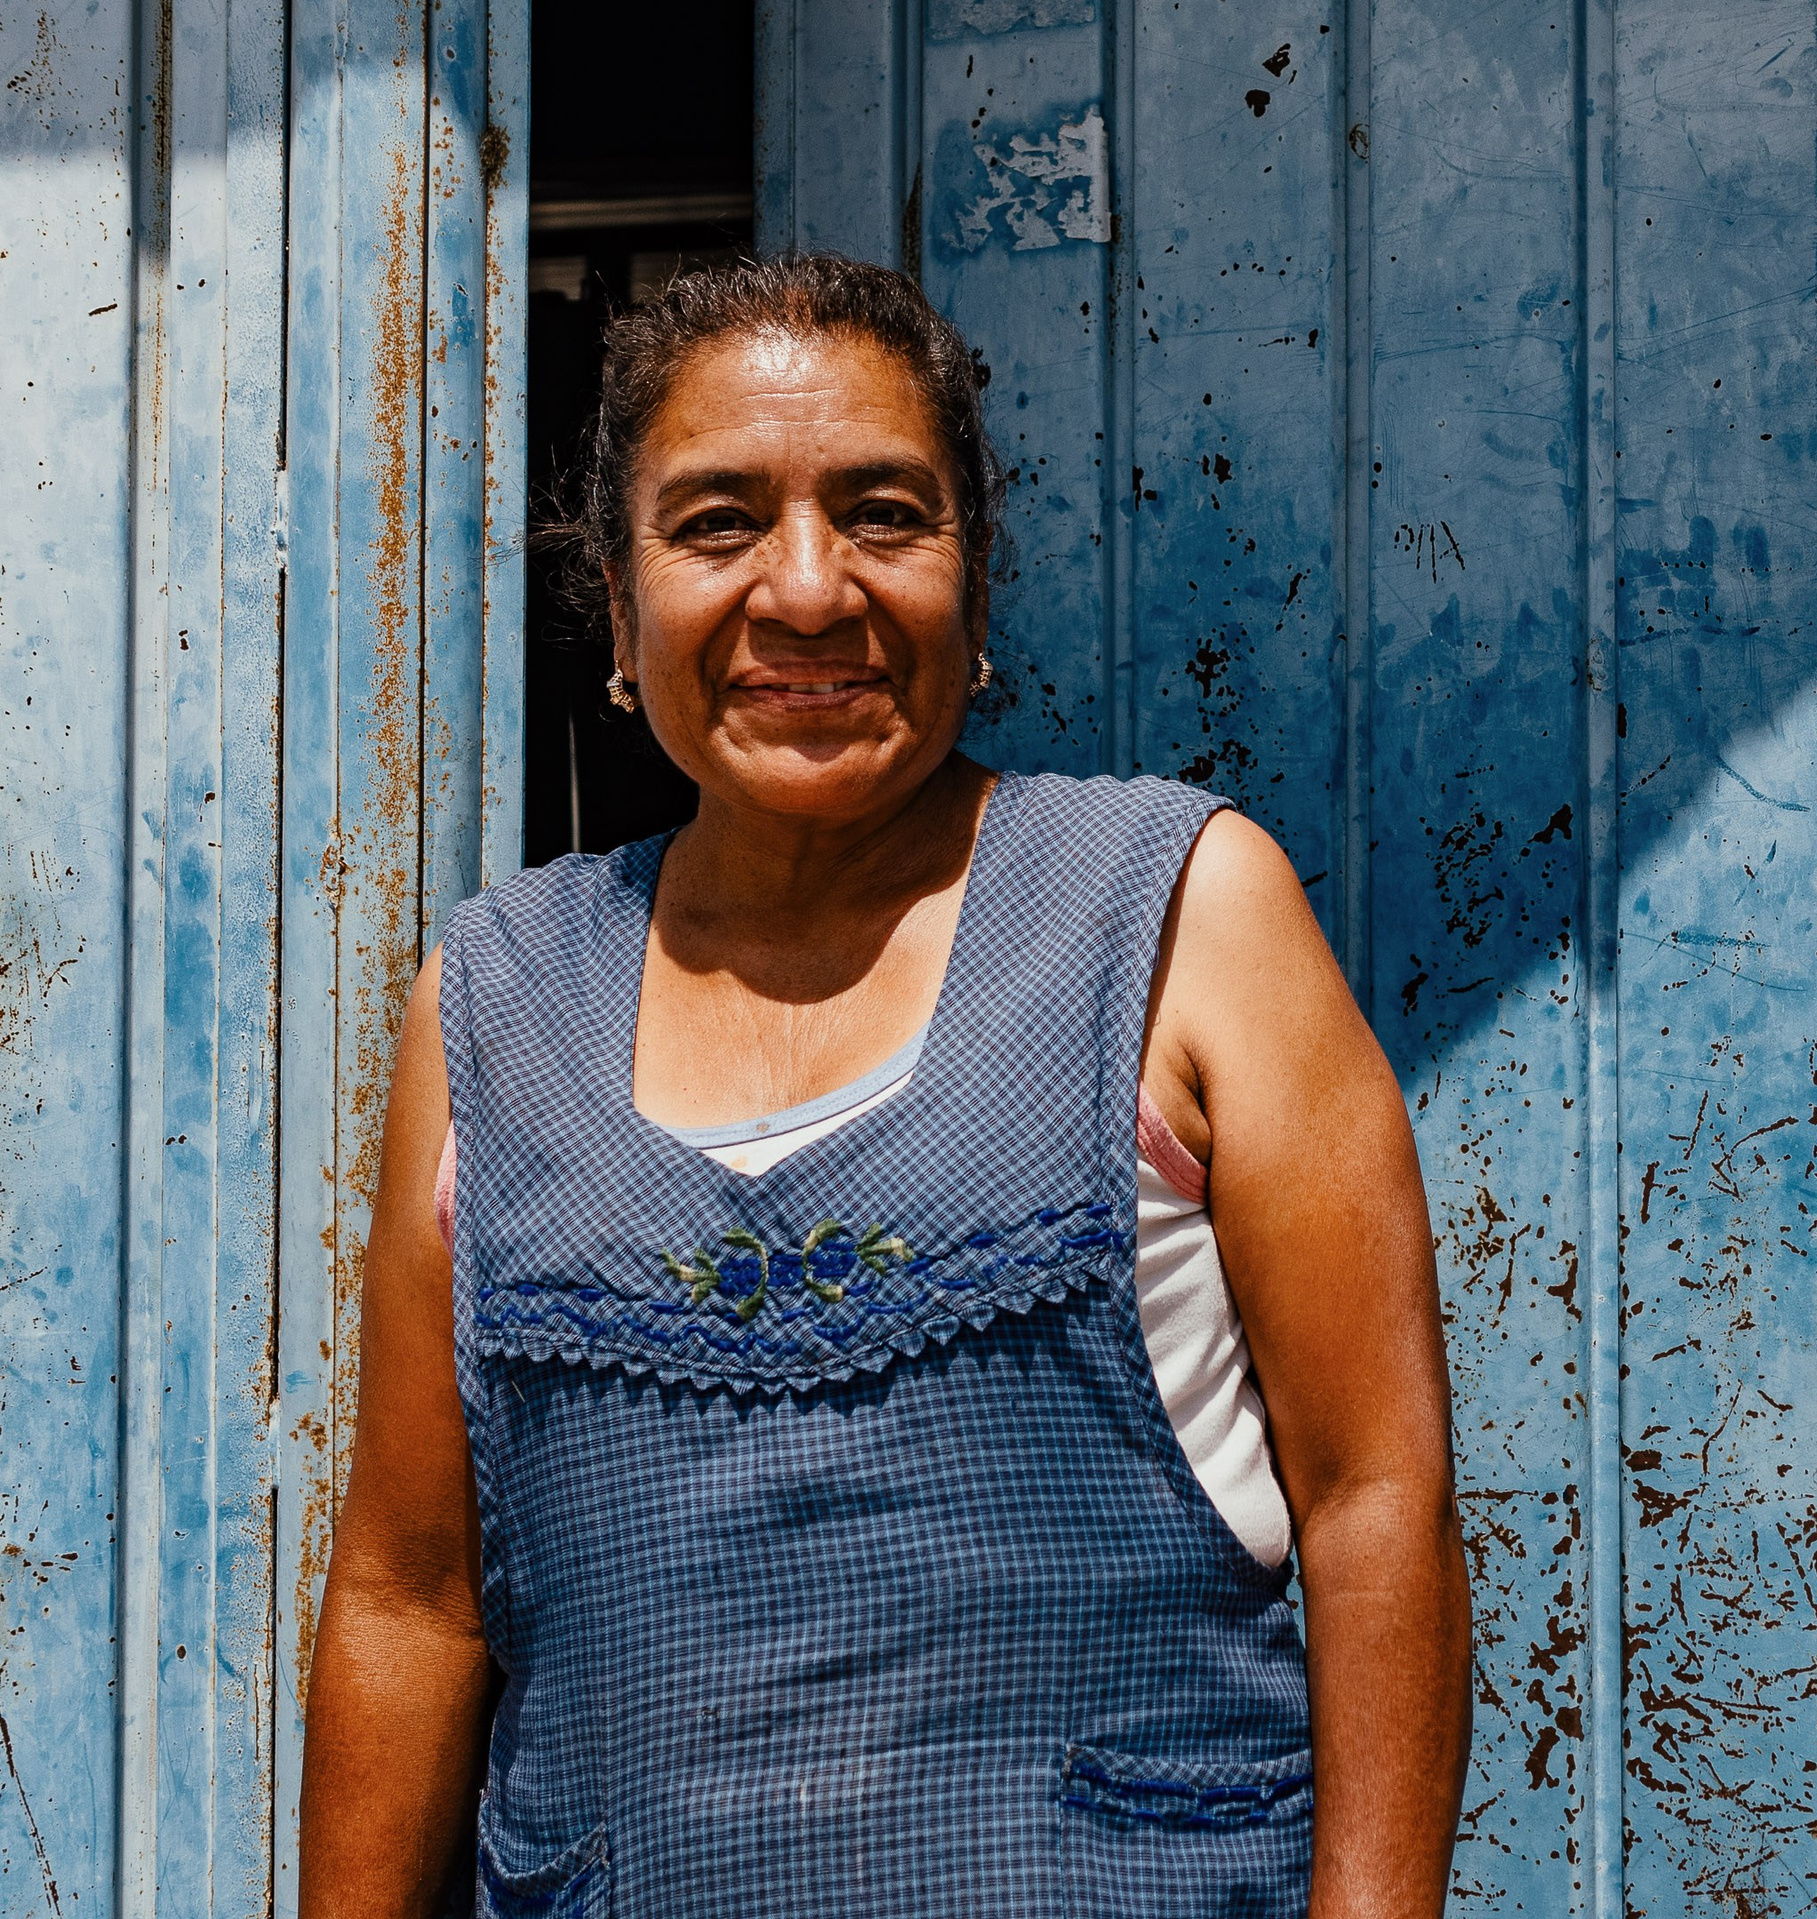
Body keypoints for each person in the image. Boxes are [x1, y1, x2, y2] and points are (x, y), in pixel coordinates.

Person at [297, 253, 1471, 1917]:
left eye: (884, 515)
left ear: (975, 592)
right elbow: (413, 1599)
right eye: (715, 524)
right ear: (619, 621)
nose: (806, 591)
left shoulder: (1184, 915)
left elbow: (1376, 1500)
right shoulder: (491, 1004)